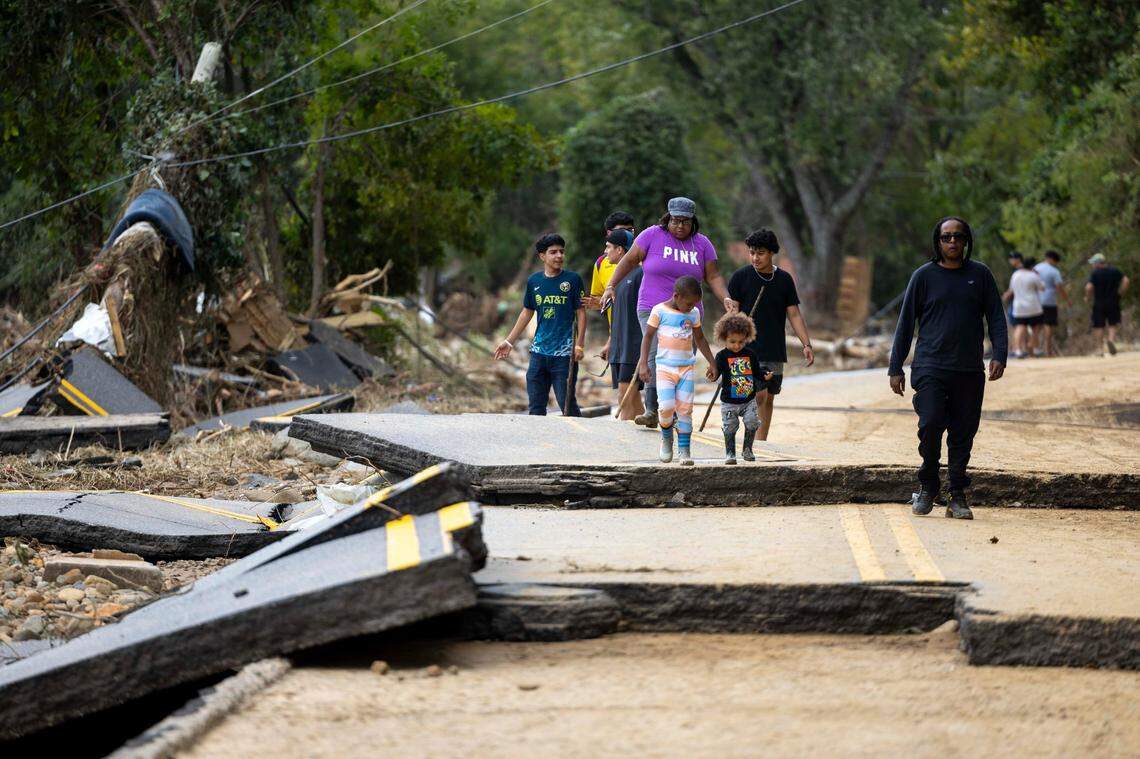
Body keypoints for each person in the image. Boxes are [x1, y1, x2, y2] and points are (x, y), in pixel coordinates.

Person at [889, 216, 1008, 520]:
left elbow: (995, 316)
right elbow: (905, 324)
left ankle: (957, 494)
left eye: (958, 237)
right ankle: (928, 485)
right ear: (937, 242)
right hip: (930, 365)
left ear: (966, 241)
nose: (952, 242)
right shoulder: (923, 276)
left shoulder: (980, 275)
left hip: (968, 369)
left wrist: (1000, 354)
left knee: (962, 433)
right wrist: (896, 367)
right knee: (930, 423)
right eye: (946, 237)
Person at [600, 197, 736, 429]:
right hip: (652, 307)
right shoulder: (652, 235)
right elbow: (630, 260)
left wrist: (725, 297)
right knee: (656, 353)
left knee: (681, 360)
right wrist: (611, 285)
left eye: (685, 222)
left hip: (688, 312)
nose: (680, 226)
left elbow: (713, 275)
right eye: (675, 221)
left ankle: (672, 412)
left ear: (693, 221)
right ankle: (653, 410)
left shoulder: (702, 244)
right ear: (668, 218)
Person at [726, 228, 814, 441]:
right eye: (752, 252)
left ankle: (761, 442)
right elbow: (732, 313)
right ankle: (746, 438)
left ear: (772, 252)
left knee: (769, 396)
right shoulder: (740, 277)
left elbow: (794, 314)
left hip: (774, 347)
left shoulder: (783, 280)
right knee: (757, 394)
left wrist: (806, 344)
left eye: (761, 253)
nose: (755, 258)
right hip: (744, 348)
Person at [494, 233, 585, 415]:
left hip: (564, 356)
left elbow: (581, 313)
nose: (559, 256)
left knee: (566, 405)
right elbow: (527, 312)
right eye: (553, 252)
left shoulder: (572, 280)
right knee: (535, 407)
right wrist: (509, 341)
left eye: (561, 251)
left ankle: (579, 442)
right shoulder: (534, 281)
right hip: (538, 354)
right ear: (542, 256)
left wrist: (580, 346)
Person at [637, 275, 716, 466]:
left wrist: (713, 362)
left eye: (694, 304)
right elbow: (647, 337)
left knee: (685, 410)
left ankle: (684, 450)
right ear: (676, 296)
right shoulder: (659, 311)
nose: (691, 307)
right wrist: (643, 363)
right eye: (688, 303)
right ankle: (666, 440)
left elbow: (700, 339)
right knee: (666, 407)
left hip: (686, 369)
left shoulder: (694, 313)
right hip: (664, 368)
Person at [592, 229, 645, 420]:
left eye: (608, 247)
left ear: (621, 250)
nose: (605, 252)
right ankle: (644, 432)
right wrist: (611, 342)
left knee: (625, 395)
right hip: (619, 348)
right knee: (632, 396)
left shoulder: (641, 275)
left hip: (633, 348)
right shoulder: (617, 280)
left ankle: (626, 440)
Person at [712, 312, 772, 465]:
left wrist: (764, 376)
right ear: (724, 338)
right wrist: (711, 374)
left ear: (747, 338)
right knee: (730, 427)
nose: (737, 346)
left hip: (748, 400)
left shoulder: (750, 355)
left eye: (741, 342)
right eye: (732, 342)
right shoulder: (721, 356)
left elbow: (757, 372)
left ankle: (747, 449)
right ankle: (730, 453)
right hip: (729, 402)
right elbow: (716, 373)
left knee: (752, 422)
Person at [1085, 253, 1129, 356]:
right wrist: (1120, 293)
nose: (1092, 265)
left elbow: (1088, 287)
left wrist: (1087, 297)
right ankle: (1111, 340)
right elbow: (1126, 281)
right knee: (1113, 323)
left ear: (1097, 263)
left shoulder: (1095, 273)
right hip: (1113, 301)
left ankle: (1100, 349)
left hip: (1099, 302)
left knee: (1099, 325)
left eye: (1093, 263)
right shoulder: (1114, 270)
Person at [1003, 252, 1044, 358]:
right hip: (1033, 306)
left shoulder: (1015, 275)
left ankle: (1018, 350)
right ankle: (1032, 346)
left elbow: (1011, 290)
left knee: (1020, 327)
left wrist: (1005, 296)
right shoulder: (1033, 275)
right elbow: (1042, 287)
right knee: (1035, 328)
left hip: (1019, 306)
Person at [1034, 250, 1067, 357]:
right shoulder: (1054, 271)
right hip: (1049, 301)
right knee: (1049, 325)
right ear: (1053, 259)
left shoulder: (1035, 268)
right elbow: (1059, 287)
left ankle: (1034, 350)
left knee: (1037, 326)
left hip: (1036, 300)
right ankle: (1048, 351)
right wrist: (1066, 299)